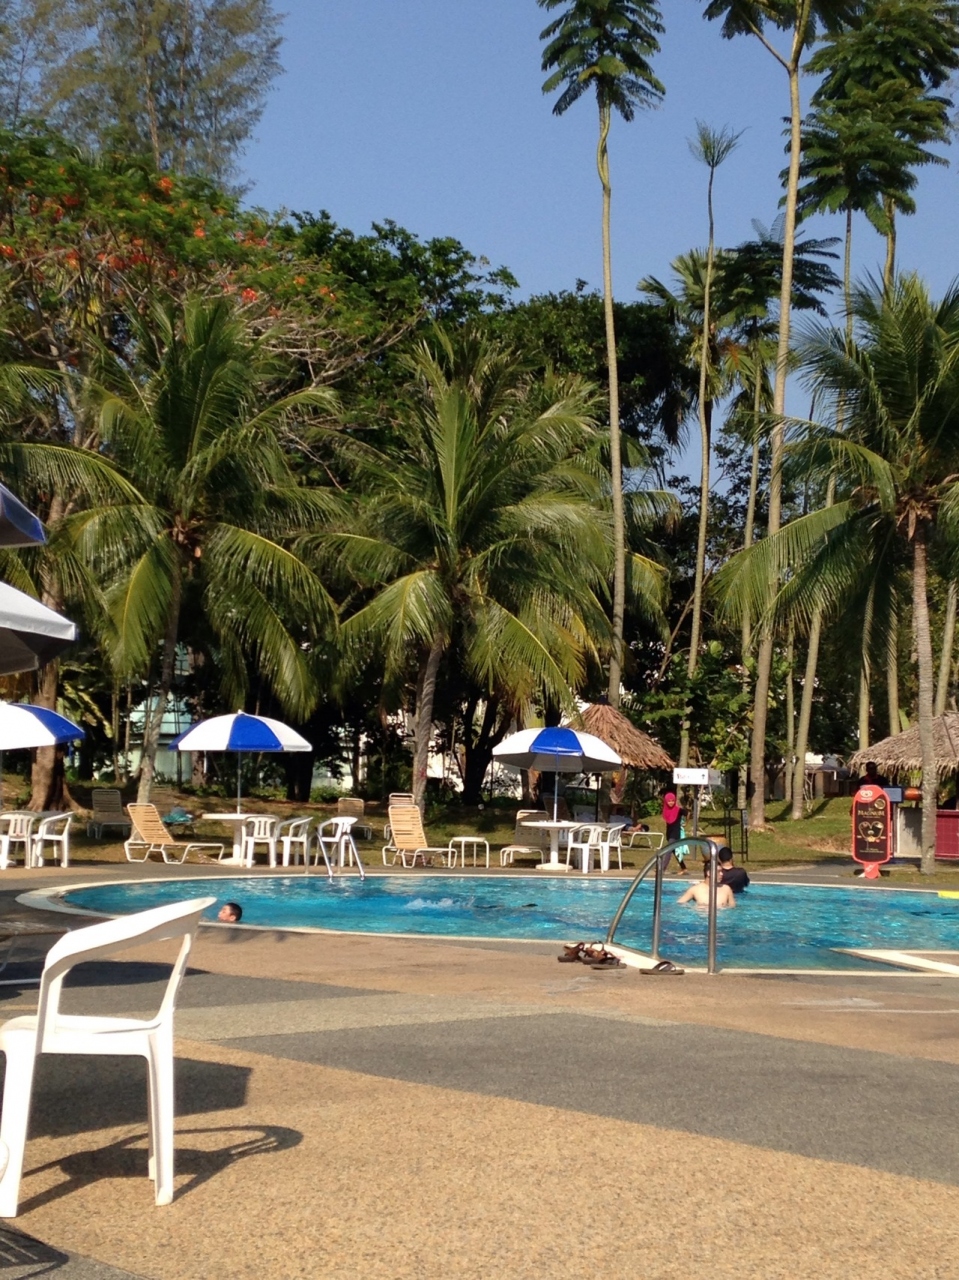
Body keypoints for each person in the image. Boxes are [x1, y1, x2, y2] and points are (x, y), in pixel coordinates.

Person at [661, 791, 688, 874]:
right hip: (669, 833)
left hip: (675, 834)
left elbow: (687, 813)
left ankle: (662, 869)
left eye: (672, 801)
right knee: (674, 851)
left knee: (668, 850)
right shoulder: (665, 810)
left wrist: (686, 823)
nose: (671, 803)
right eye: (669, 801)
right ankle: (684, 868)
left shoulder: (678, 810)